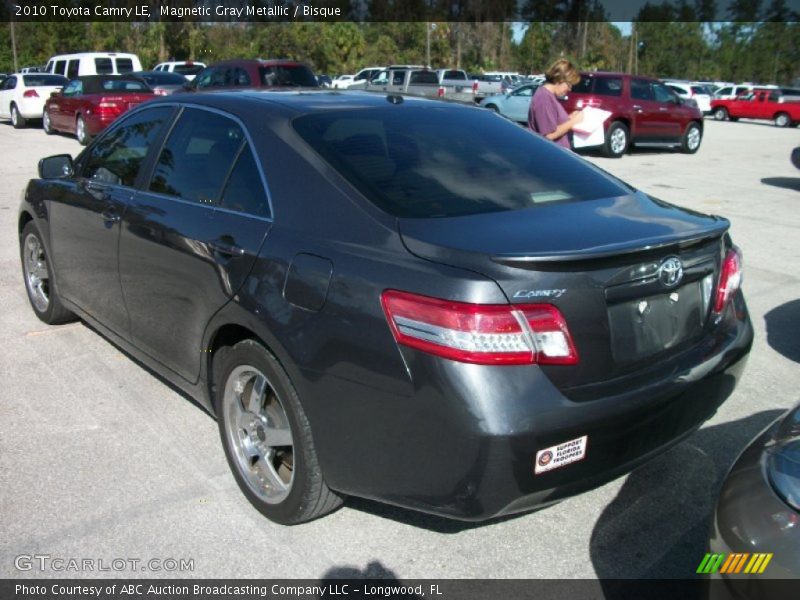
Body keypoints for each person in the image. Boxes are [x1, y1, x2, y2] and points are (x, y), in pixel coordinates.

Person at [528, 59, 584, 149]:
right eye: (569, 85)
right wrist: (573, 122)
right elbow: (548, 135)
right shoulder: (544, 99)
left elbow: (553, 123)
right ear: (560, 79)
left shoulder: (549, 96)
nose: (570, 89)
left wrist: (570, 118)